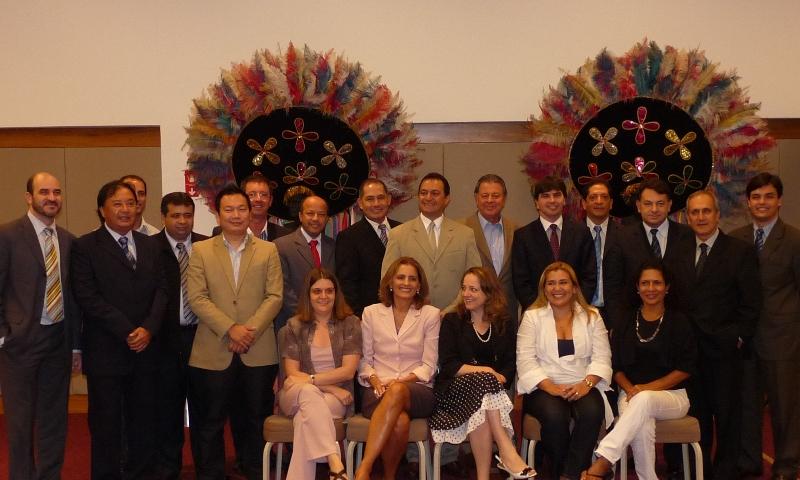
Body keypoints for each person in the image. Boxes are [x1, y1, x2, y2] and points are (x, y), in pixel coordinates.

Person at [71, 179, 168, 479]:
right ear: (102, 210)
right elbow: (87, 296)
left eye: (130, 203)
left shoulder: (151, 245)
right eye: (117, 204)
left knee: (144, 422)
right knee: (106, 426)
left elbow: (163, 290)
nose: (126, 209)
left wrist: (148, 329)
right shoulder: (85, 246)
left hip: (146, 350)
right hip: (107, 351)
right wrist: (128, 330)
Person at [186, 184, 283, 480]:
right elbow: (197, 298)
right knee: (210, 420)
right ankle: (211, 474)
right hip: (213, 349)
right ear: (218, 214)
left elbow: (274, 296)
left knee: (256, 418)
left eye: (242, 209)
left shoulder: (268, 250)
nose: (236, 215)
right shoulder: (201, 250)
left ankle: (255, 471)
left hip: (258, 348)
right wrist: (231, 329)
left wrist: (247, 332)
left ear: (251, 212)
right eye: (229, 209)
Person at [581, 261, 697, 480]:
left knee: (644, 400)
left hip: (673, 397)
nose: (650, 288)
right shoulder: (625, 320)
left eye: (657, 283)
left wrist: (645, 389)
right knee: (642, 423)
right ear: (637, 287)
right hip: (630, 394)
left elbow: (686, 368)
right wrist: (632, 390)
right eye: (645, 283)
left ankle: (604, 460)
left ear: (667, 287)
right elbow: (616, 367)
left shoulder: (679, 321)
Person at [0, 172, 80, 479]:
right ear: (28, 197)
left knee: (54, 421)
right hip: (19, 344)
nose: (52, 198)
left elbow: (73, 297)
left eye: (56, 192)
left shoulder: (69, 241)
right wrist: (4, 335)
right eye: (44, 192)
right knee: (20, 424)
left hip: (58, 341)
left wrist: (75, 346)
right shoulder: (7, 235)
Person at [676, 190, 761, 479]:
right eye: (695, 212)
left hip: (725, 351)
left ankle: (725, 472)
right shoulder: (678, 251)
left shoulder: (740, 251)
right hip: (689, 353)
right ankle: (699, 471)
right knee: (695, 416)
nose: (701, 217)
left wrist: (737, 338)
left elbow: (751, 304)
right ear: (687, 217)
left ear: (717, 214)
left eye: (706, 211)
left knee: (727, 417)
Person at [429, 267, 534, 479]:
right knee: (484, 383)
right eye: (464, 288)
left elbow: (510, 364)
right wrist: (487, 371)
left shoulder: (504, 322)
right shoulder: (452, 320)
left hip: (489, 397)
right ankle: (506, 450)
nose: (466, 294)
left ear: (488, 292)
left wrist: (496, 378)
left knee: (483, 409)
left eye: (473, 289)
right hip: (453, 394)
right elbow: (449, 365)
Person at [731, 173, 800, 480]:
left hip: (783, 339)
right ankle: (749, 462)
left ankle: (786, 464)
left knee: (785, 407)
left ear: (779, 201)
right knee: (747, 405)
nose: (762, 202)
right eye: (756, 197)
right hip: (745, 339)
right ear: (748, 202)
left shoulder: (795, 240)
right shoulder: (736, 238)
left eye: (769, 196)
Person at [516, 261, 612, 480]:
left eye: (563, 282)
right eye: (551, 283)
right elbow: (525, 361)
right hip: (543, 386)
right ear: (544, 289)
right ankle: (573, 472)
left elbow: (602, 357)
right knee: (555, 415)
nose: (557, 288)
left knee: (591, 412)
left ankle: (567, 475)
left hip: (583, 383)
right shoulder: (532, 317)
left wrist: (586, 384)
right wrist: (551, 387)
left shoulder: (592, 316)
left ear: (575, 287)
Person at [354, 257, 440, 480]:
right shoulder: (371, 313)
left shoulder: (430, 314)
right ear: (390, 282)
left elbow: (429, 366)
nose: (406, 283)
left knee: (398, 389)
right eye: (401, 277)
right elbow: (364, 360)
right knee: (400, 421)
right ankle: (389, 476)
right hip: (377, 390)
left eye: (412, 279)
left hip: (418, 390)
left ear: (419, 285)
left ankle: (364, 468)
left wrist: (399, 383)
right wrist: (374, 380)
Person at [277, 268, 361, 480]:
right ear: (308, 295)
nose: (324, 296)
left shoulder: (350, 324)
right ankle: (335, 461)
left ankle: (333, 468)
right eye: (317, 291)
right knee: (307, 393)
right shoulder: (294, 326)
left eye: (329, 291)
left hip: (333, 399)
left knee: (304, 420)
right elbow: (292, 374)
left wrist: (310, 380)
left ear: (336, 293)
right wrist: (328, 386)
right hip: (296, 394)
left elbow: (348, 371)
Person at [151, 192, 208, 479]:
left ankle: (207, 470)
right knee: (167, 411)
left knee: (205, 411)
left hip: (203, 339)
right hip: (165, 343)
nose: (182, 221)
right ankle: (168, 469)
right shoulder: (150, 248)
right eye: (176, 215)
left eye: (188, 215)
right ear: (163, 217)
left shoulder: (207, 246)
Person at [381, 172, 481, 313]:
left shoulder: (465, 235)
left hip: (455, 315)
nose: (428, 198)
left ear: (447, 199)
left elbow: (475, 279)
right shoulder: (398, 235)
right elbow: (387, 280)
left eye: (435, 193)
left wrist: (450, 311)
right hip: (411, 316)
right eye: (423, 193)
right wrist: (416, 312)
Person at [604, 178, 693, 333]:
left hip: (680, 325)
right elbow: (613, 287)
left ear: (669, 205)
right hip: (633, 326)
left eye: (660, 203)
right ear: (639, 206)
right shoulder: (621, 238)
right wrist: (617, 325)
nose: (654, 209)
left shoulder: (688, 236)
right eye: (648, 204)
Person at [511, 176, 597, 310]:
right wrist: (540, 311)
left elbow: (589, 276)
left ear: (564, 200)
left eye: (557, 195)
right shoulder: (523, 236)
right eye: (546, 196)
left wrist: (576, 307)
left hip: (575, 310)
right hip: (537, 313)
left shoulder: (581, 232)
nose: (552, 200)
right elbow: (521, 281)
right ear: (536, 202)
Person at [336, 178, 400, 315]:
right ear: (360, 203)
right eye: (370, 199)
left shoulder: (403, 230)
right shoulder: (348, 237)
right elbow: (347, 284)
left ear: (388, 199)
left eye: (380, 198)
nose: (376, 204)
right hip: (369, 315)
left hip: (403, 310)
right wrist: (359, 316)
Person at [462, 174, 520, 323]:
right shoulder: (460, 230)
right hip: (472, 314)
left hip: (507, 313)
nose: (490, 200)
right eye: (484, 195)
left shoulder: (517, 231)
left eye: (495, 196)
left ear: (504, 199)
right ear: (476, 198)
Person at [275, 195, 335, 333]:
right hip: (293, 325)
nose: (315, 218)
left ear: (327, 219)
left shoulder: (334, 246)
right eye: (310, 213)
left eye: (321, 214)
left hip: (328, 325)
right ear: (300, 216)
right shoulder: (281, 246)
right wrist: (308, 317)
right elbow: (283, 288)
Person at [580, 179, 622, 329]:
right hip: (580, 309)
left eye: (604, 197)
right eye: (593, 197)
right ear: (583, 203)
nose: (599, 201)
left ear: (611, 203)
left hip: (616, 312)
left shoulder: (625, 235)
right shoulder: (572, 234)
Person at [211, 173, 291, 241]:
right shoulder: (221, 233)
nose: (258, 199)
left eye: (263, 195)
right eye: (252, 194)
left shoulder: (285, 236)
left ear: (270, 200)